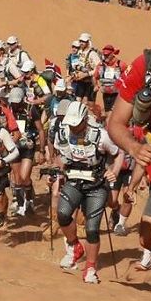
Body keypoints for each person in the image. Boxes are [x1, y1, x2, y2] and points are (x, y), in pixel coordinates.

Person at [45, 98, 123, 279]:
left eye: (76, 124)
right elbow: (60, 157)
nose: (73, 128)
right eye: (70, 124)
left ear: (84, 120)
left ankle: (90, 268)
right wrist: (55, 172)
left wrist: (115, 171)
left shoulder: (101, 135)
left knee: (92, 229)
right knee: (63, 214)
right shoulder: (62, 133)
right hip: (73, 180)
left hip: (96, 185)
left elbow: (118, 153)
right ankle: (74, 246)